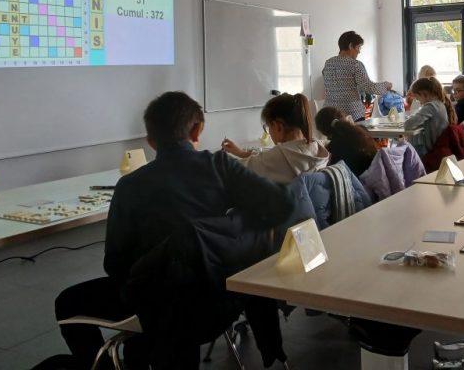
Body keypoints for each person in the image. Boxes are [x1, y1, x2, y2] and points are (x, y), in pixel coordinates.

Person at [41, 92, 295, 370]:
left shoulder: (130, 186)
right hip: (224, 299)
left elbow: (114, 263)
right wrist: (229, 232)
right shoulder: (219, 166)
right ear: (197, 129)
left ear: (150, 140)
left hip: (159, 308)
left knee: (67, 302)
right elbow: (281, 205)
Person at [222, 93, 330, 184]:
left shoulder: (278, 157)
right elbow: (266, 157)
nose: (269, 132)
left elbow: (233, 169)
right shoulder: (318, 146)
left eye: (268, 127)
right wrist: (241, 153)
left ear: (278, 126)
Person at [322, 31, 392, 121]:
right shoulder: (355, 65)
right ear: (351, 46)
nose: (359, 51)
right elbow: (369, 87)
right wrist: (386, 85)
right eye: (358, 47)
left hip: (330, 114)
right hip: (351, 114)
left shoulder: (328, 63)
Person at [314, 106, 377, 176]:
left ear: (324, 131)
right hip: (377, 173)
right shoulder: (362, 130)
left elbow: (336, 174)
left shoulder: (333, 148)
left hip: (360, 181)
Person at [404, 77, 455, 157]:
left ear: (423, 94)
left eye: (417, 98)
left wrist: (411, 118)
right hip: (439, 144)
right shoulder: (439, 104)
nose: (418, 101)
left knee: (413, 140)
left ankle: (412, 162)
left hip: (432, 148)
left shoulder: (431, 106)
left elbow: (408, 125)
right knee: (415, 138)